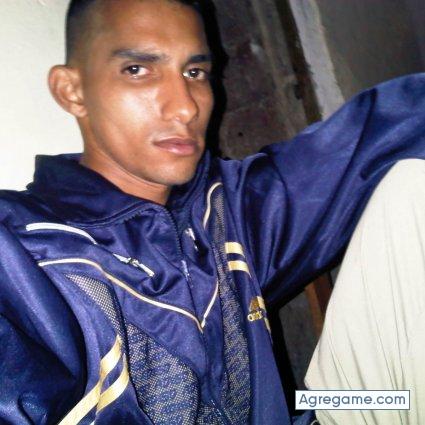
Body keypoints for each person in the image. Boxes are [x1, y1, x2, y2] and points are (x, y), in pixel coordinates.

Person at [0, 0, 424, 424]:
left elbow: (383, 130)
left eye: (194, 73)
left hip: (316, 409)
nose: (186, 107)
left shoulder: (229, 207)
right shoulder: (26, 254)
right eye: (138, 69)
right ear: (71, 91)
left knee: (411, 185)